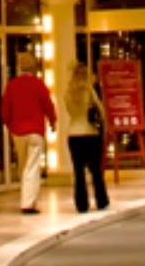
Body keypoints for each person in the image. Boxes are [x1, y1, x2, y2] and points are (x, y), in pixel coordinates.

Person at [1, 52, 56, 214]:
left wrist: (8, 124)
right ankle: (28, 202)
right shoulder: (39, 85)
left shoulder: (12, 85)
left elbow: (5, 109)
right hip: (36, 131)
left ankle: (26, 197)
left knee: (23, 165)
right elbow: (48, 106)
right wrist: (53, 122)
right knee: (32, 167)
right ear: (33, 67)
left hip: (18, 132)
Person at [64, 63, 110, 213]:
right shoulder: (89, 92)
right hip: (90, 133)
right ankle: (101, 200)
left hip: (73, 134)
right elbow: (101, 112)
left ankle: (81, 203)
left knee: (78, 172)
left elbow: (70, 112)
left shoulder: (67, 93)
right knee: (95, 170)